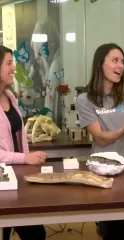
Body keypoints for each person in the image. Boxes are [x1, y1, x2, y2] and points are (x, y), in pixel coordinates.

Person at [76, 43, 124, 240]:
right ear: (100, 65)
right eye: (115, 61)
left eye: (123, 61)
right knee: (112, 226)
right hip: (104, 169)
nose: (121, 66)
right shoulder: (85, 99)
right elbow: (99, 137)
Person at [0, 45, 47, 240]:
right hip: (3, 179)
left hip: (16, 176)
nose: (13, 68)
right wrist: (24, 158)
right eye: (9, 63)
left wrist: (27, 161)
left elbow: (17, 136)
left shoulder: (10, 96)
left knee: (35, 232)